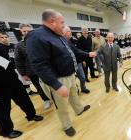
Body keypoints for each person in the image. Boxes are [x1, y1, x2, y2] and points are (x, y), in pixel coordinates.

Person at [26, 9, 96, 137]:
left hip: (69, 75)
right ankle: (67, 125)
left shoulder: (58, 35)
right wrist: (56, 85)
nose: (64, 26)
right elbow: (39, 65)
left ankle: (79, 109)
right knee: (61, 105)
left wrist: (87, 54)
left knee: (74, 95)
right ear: (52, 21)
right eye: (62, 23)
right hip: (57, 79)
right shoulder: (36, 36)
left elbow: (73, 50)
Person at [0, 23, 43, 139]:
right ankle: (6, 131)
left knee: (24, 100)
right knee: (1, 111)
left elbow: (5, 64)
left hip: (13, 82)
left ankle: (31, 115)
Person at [15, 23, 52, 109]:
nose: (27, 32)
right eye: (24, 31)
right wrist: (23, 74)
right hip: (32, 71)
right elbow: (18, 61)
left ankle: (55, 98)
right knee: (39, 87)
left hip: (44, 68)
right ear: (21, 31)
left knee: (50, 84)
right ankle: (46, 100)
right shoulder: (19, 46)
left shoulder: (39, 41)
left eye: (29, 31)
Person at [64, 26, 90, 94]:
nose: (71, 32)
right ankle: (76, 90)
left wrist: (83, 60)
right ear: (64, 32)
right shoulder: (61, 42)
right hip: (69, 65)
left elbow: (77, 51)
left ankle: (83, 88)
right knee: (72, 80)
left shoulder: (73, 40)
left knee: (82, 77)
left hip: (78, 62)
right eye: (69, 31)